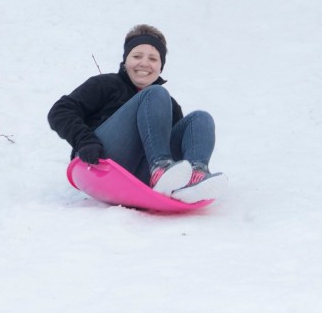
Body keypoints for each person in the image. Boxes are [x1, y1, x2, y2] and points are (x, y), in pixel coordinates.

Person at [47, 24, 226, 203]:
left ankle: (195, 178)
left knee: (200, 118)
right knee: (155, 93)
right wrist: (84, 140)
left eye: (153, 59)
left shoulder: (169, 105)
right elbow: (60, 111)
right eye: (137, 56)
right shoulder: (106, 84)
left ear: (161, 66)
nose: (144, 63)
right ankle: (160, 167)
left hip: (141, 174)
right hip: (101, 163)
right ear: (126, 60)